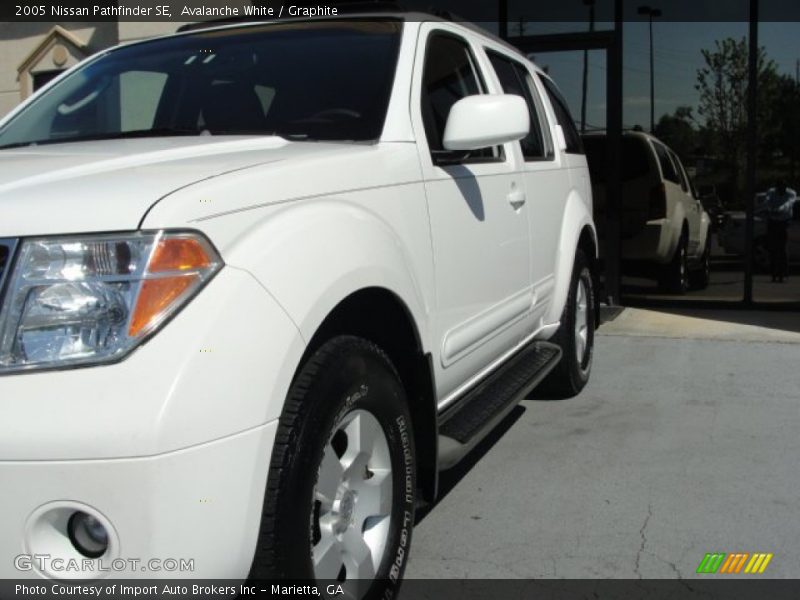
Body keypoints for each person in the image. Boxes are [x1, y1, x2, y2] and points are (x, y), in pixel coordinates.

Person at [759, 180, 797, 283]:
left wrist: (779, 210)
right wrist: (768, 208)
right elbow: (767, 200)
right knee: (772, 249)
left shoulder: (791, 193)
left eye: (782, 189)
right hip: (773, 222)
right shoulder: (771, 192)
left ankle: (783, 274)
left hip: (783, 222)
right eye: (778, 189)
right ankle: (774, 274)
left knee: (782, 249)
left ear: (785, 188)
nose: (780, 191)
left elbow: (788, 204)